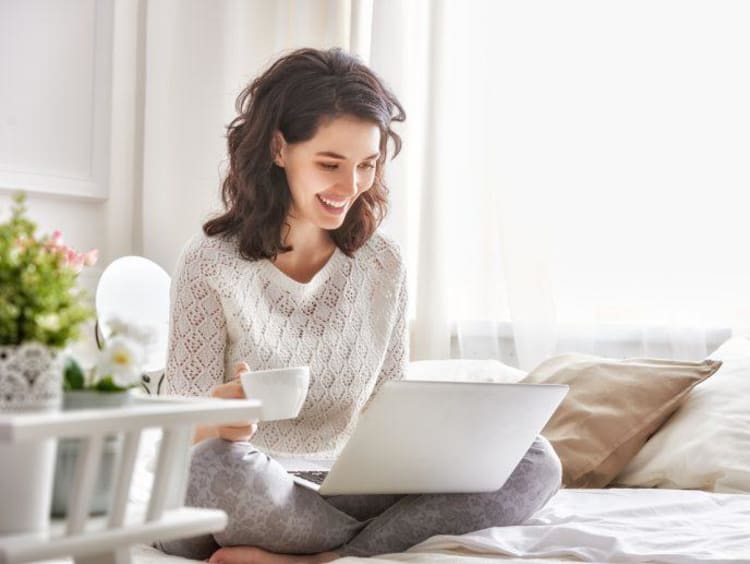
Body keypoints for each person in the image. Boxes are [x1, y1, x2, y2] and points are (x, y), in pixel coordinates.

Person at [158, 47, 562, 564]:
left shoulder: (383, 264)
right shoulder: (210, 261)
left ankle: (321, 559)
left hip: (340, 487)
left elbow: (387, 410)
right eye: (330, 164)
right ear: (279, 148)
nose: (350, 187)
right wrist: (221, 419)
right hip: (238, 485)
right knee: (212, 469)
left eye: (367, 166)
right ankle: (367, 545)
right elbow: (178, 434)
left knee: (535, 459)